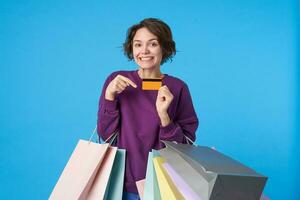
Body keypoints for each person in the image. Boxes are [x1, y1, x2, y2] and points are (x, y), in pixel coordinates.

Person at [97, 18, 199, 200]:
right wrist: (110, 97)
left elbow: (185, 146)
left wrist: (164, 117)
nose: (144, 51)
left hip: (164, 184)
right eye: (138, 45)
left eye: (153, 44)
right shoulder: (116, 81)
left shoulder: (177, 87)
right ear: (131, 49)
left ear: (164, 48)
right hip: (121, 183)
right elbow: (105, 135)